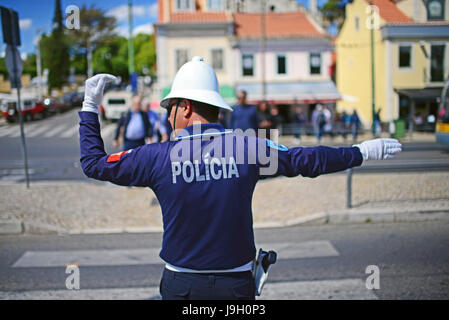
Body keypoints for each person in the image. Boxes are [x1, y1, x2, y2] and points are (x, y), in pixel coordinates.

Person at [78, 59, 402, 300]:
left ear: (186, 107)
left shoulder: (156, 157)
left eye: (170, 108)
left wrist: (90, 106)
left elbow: (94, 164)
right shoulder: (248, 148)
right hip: (236, 288)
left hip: (182, 286)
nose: (167, 116)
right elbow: (306, 160)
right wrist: (359, 152)